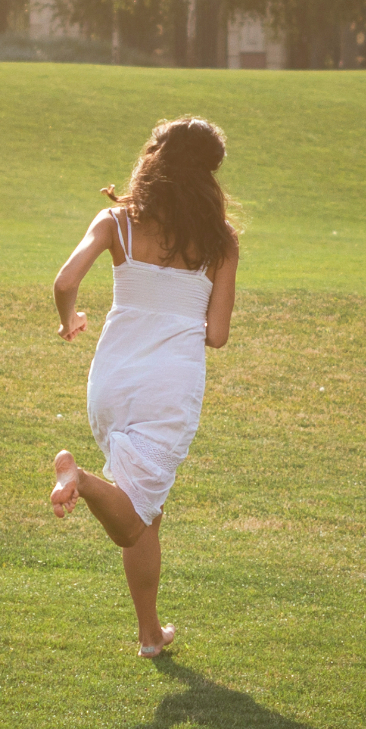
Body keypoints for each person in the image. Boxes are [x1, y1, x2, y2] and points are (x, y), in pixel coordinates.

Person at [49, 116, 240, 657]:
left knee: (148, 512)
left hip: (110, 381)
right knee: (134, 520)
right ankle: (80, 479)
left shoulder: (116, 222)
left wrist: (69, 321)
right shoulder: (220, 243)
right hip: (168, 387)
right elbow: (218, 336)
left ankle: (150, 635)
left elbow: (65, 282)